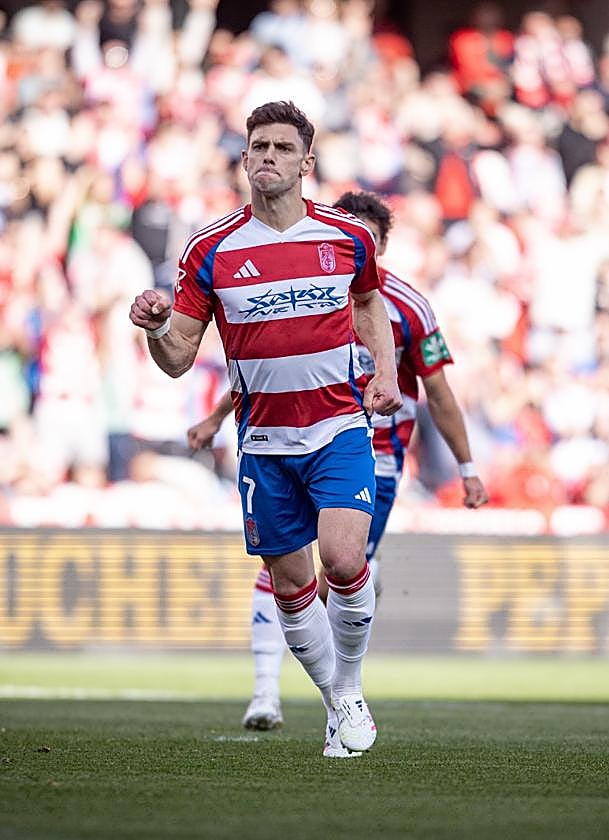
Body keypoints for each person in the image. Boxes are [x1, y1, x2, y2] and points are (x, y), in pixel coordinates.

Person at [129, 102, 401, 759]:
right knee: (288, 584)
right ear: (245, 159)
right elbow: (178, 360)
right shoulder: (210, 249)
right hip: (263, 444)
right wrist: (158, 327)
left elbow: (368, 304)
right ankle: (337, 703)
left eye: (283, 147)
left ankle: (353, 688)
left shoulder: (346, 238)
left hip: (338, 426)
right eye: (259, 146)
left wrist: (385, 372)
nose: (268, 157)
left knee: (342, 559)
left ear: (306, 163)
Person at [188, 190, 489, 734]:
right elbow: (268, 361)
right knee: (284, 571)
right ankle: (275, 694)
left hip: (372, 451)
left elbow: (440, 393)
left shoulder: (407, 307)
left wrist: (466, 466)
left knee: (344, 568)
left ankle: (341, 694)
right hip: (282, 439)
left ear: (379, 247)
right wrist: (214, 420)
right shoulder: (302, 285)